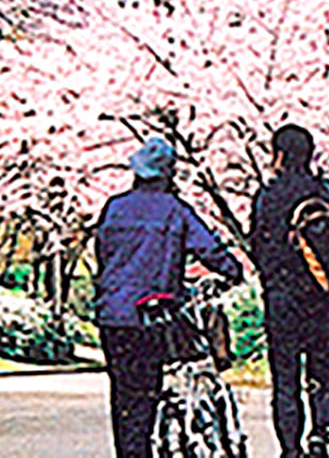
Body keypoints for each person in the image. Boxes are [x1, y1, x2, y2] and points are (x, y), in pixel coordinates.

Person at [93, 136, 242, 458]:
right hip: (153, 313)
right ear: (168, 175)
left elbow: (103, 255)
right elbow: (209, 249)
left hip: (113, 315)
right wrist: (233, 271)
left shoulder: (114, 208)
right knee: (147, 388)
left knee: (125, 398)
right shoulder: (175, 210)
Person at [249, 123, 329, 458]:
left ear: (279, 155)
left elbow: (257, 246)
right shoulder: (328, 192)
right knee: (322, 363)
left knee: (285, 374)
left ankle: (291, 448)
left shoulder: (268, 196)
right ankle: (319, 434)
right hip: (322, 292)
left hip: (282, 295)